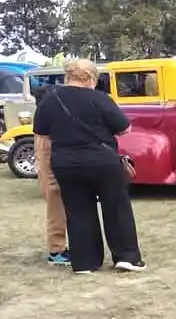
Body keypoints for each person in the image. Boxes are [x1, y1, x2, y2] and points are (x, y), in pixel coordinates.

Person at [32, 59, 146, 275]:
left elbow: (42, 133)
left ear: (68, 77)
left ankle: (85, 262)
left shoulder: (50, 100)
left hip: (66, 163)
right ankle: (126, 257)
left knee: (78, 211)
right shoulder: (100, 98)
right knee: (116, 207)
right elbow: (124, 129)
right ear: (91, 78)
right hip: (101, 160)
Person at [32, 86, 69, 265]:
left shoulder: (42, 114)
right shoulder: (45, 116)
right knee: (55, 204)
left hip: (48, 157)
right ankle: (56, 251)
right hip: (48, 159)